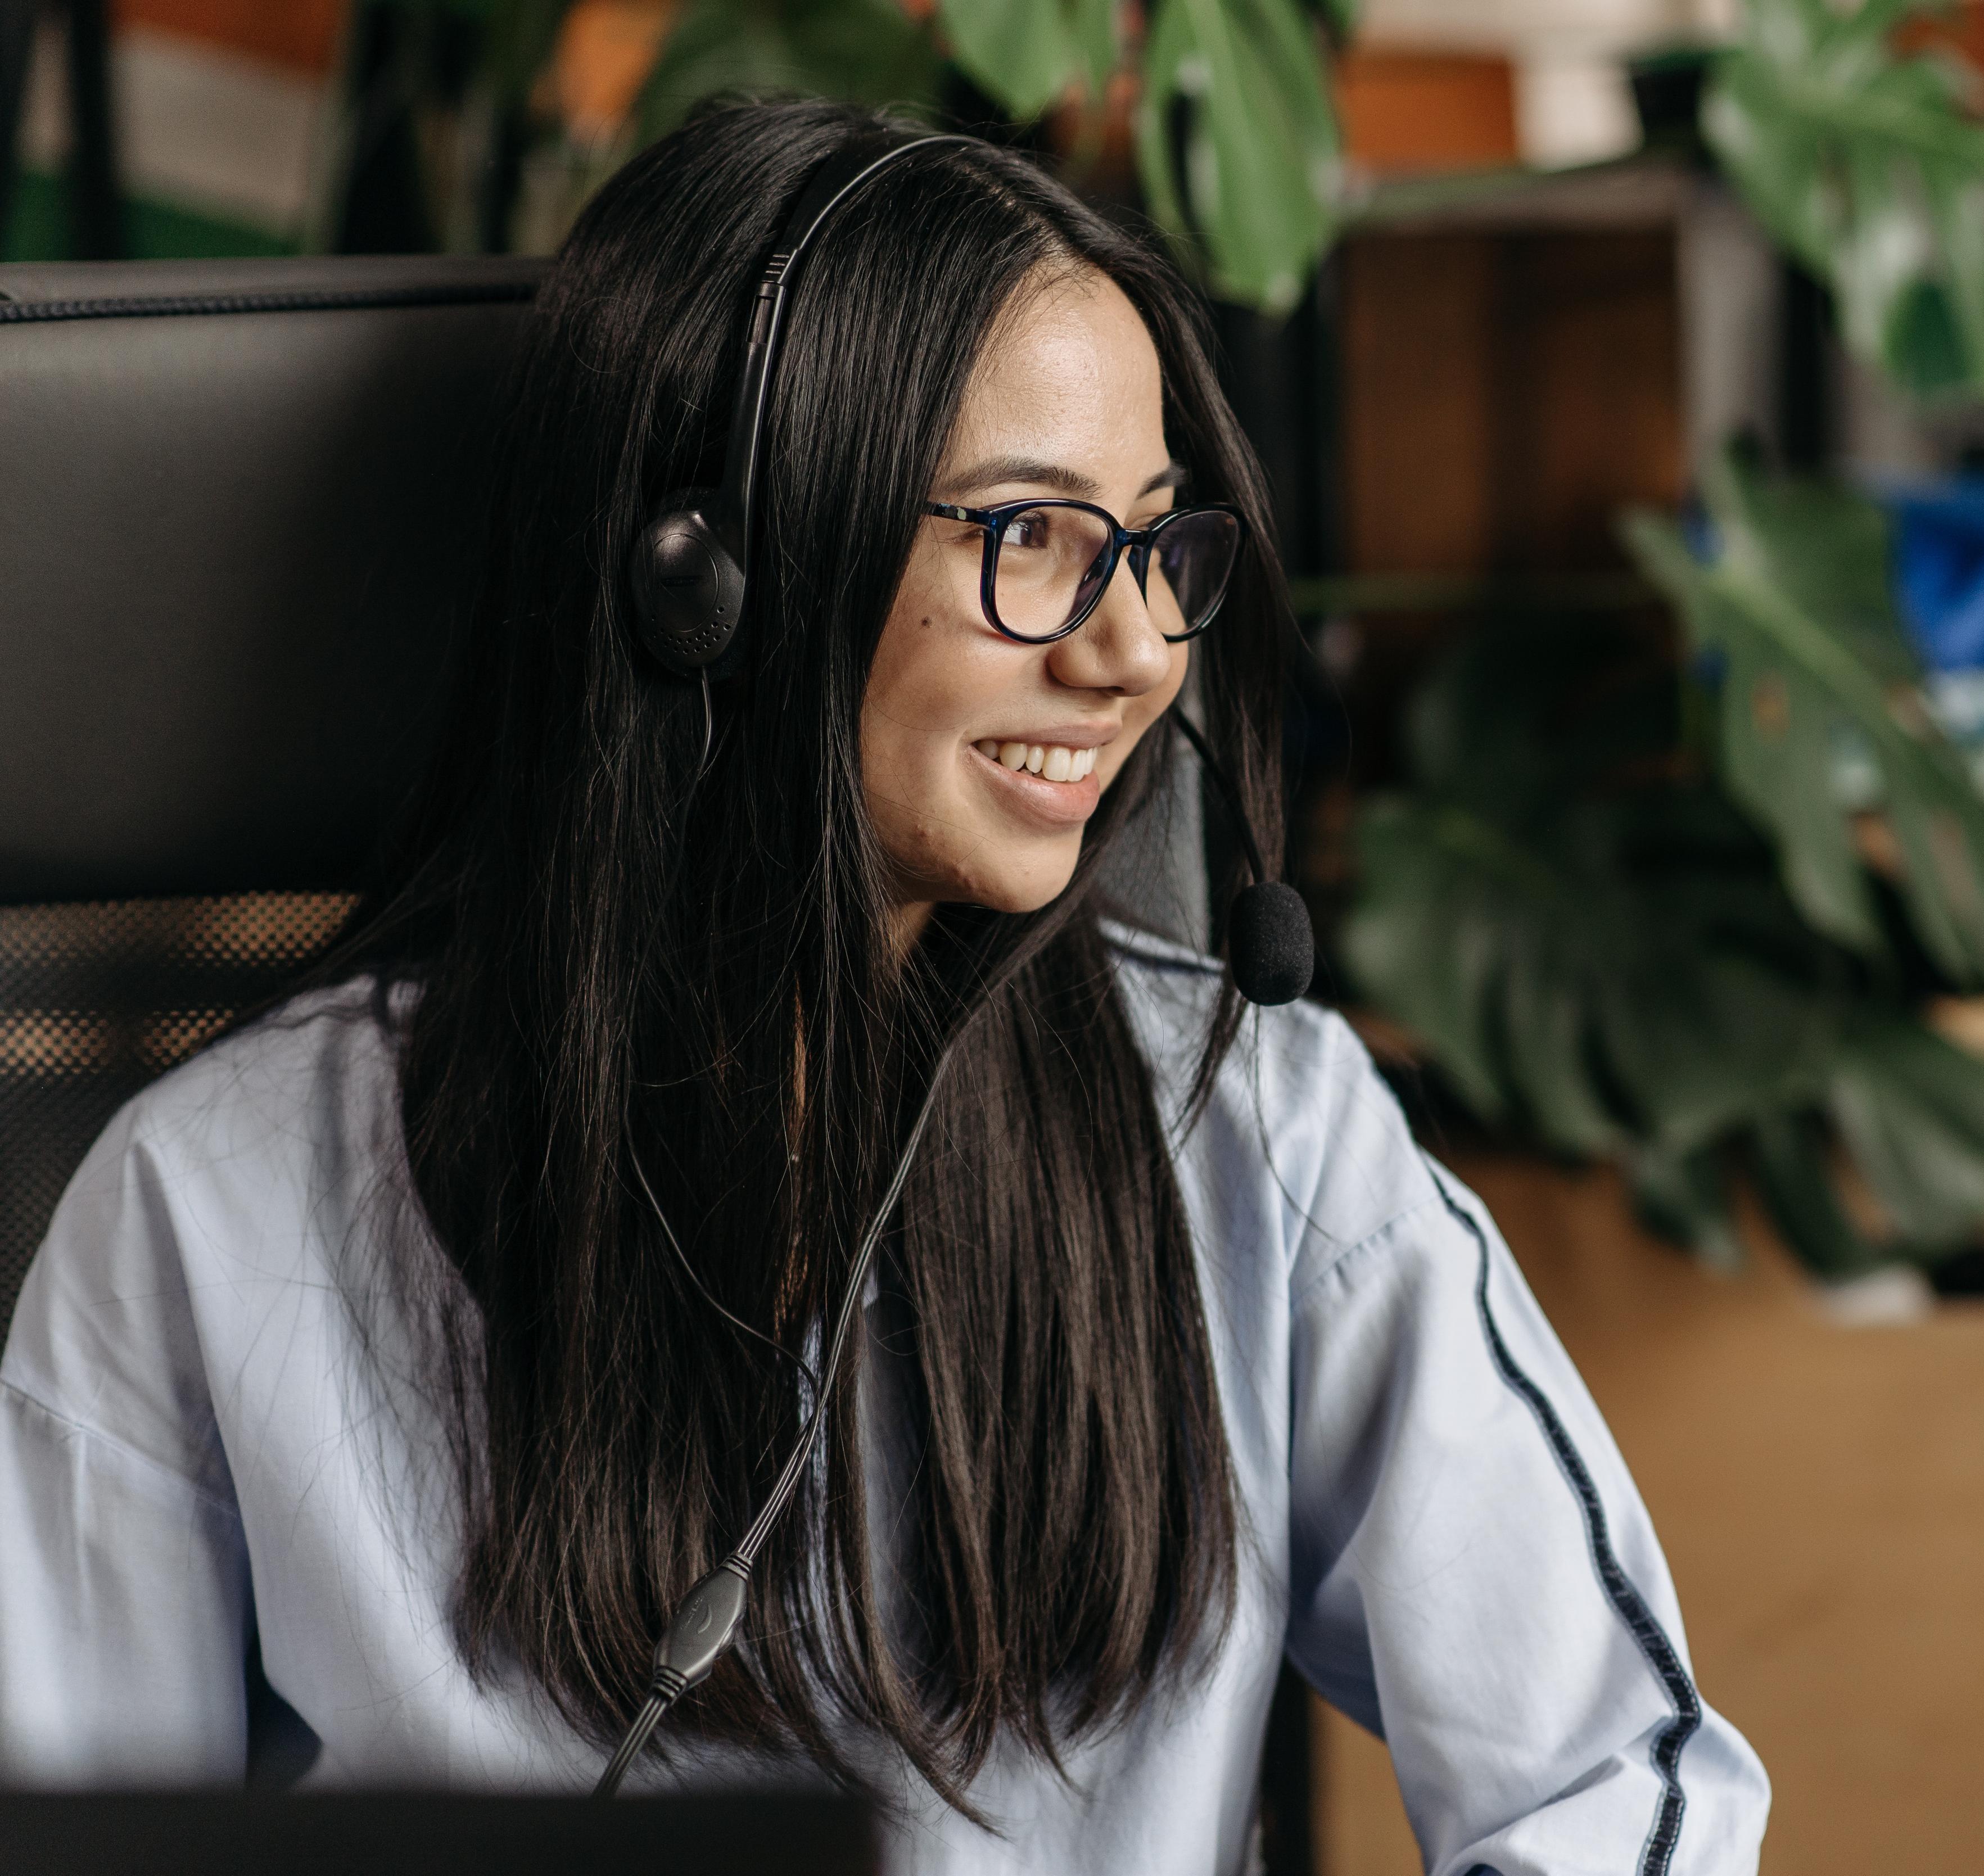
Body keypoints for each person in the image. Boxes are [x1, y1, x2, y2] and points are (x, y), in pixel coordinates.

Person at [0, 99, 1768, 1874]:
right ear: (707, 581)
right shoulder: (204, 1214)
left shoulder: (1263, 1137)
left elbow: (1620, 1788)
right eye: (1032, 538)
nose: (1138, 650)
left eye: (1159, 544)